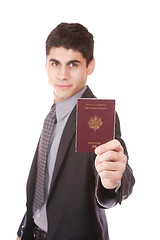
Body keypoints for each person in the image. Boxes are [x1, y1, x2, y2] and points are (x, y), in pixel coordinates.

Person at [16, 22, 135, 240]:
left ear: (90, 66)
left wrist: (113, 182)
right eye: (55, 63)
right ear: (46, 65)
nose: (61, 75)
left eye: (72, 64)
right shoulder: (52, 114)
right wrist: (23, 229)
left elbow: (116, 174)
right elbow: (42, 181)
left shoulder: (98, 116)